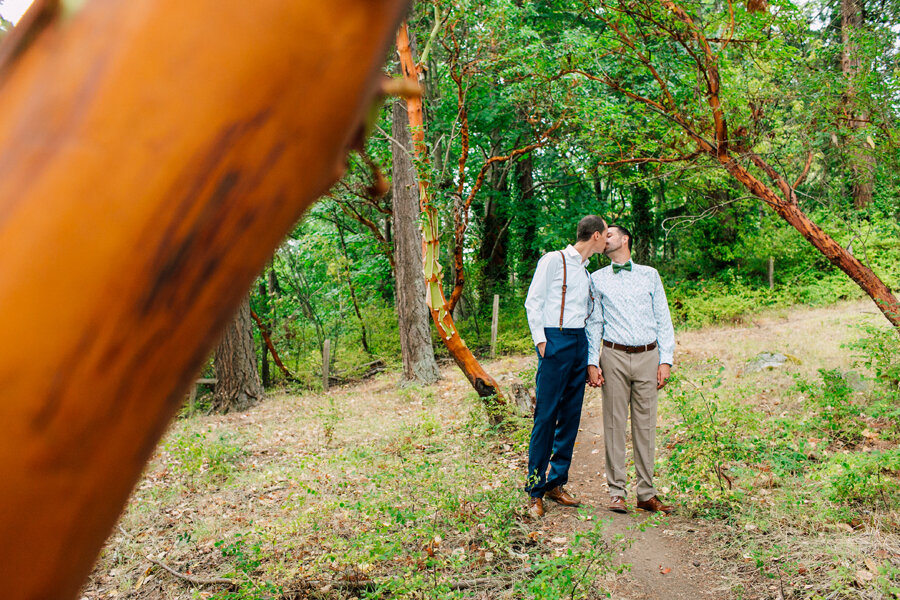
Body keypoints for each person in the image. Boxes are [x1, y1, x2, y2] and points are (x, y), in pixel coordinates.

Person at [588, 225, 675, 514]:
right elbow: (594, 323)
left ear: (625, 239)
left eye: (609, 234)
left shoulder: (650, 275)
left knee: (646, 425)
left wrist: (666, 359)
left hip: (648, 356)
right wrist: (592, 360)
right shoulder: (596, 279)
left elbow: (663, 319)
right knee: (614, 424)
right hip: (613, 356)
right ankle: (616, 492)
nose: (604, 238)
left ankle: (646, 494)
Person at [524, 215, 607, 518]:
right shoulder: (553, 259)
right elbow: (533, 301)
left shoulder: (587, 273)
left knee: (570, 417)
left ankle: (555, 483)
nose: (608, 238)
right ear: (595, 235)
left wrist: (589, 360)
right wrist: (542, 342)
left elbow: (590, 315)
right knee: (546, 417)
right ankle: (535, 489)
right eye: (606, 233)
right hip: (554, 340)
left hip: (578, 343)